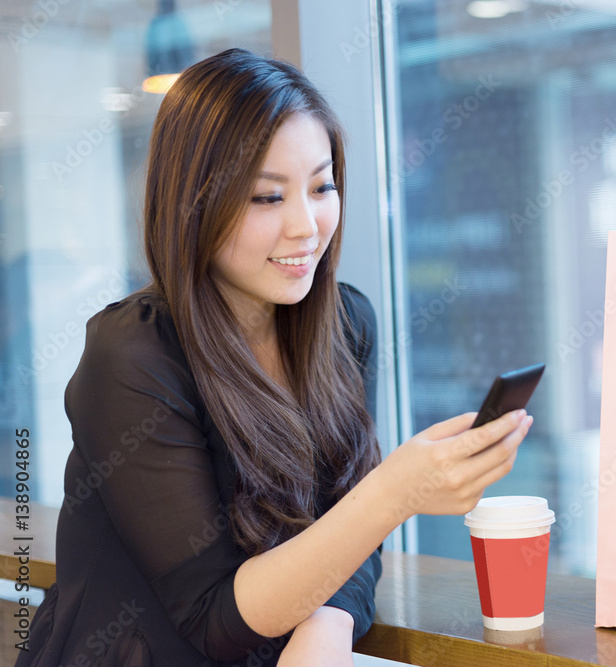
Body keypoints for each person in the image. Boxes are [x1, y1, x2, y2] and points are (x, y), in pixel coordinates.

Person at [16, 48, 532, 667]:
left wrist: (330, 620)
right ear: (193, 204)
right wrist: (394, 493)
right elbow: (214, 619)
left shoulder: (345, 323)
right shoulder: (132, 354)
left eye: (322, 187)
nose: (307, 226)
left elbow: (345, 535)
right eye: (267, 198)